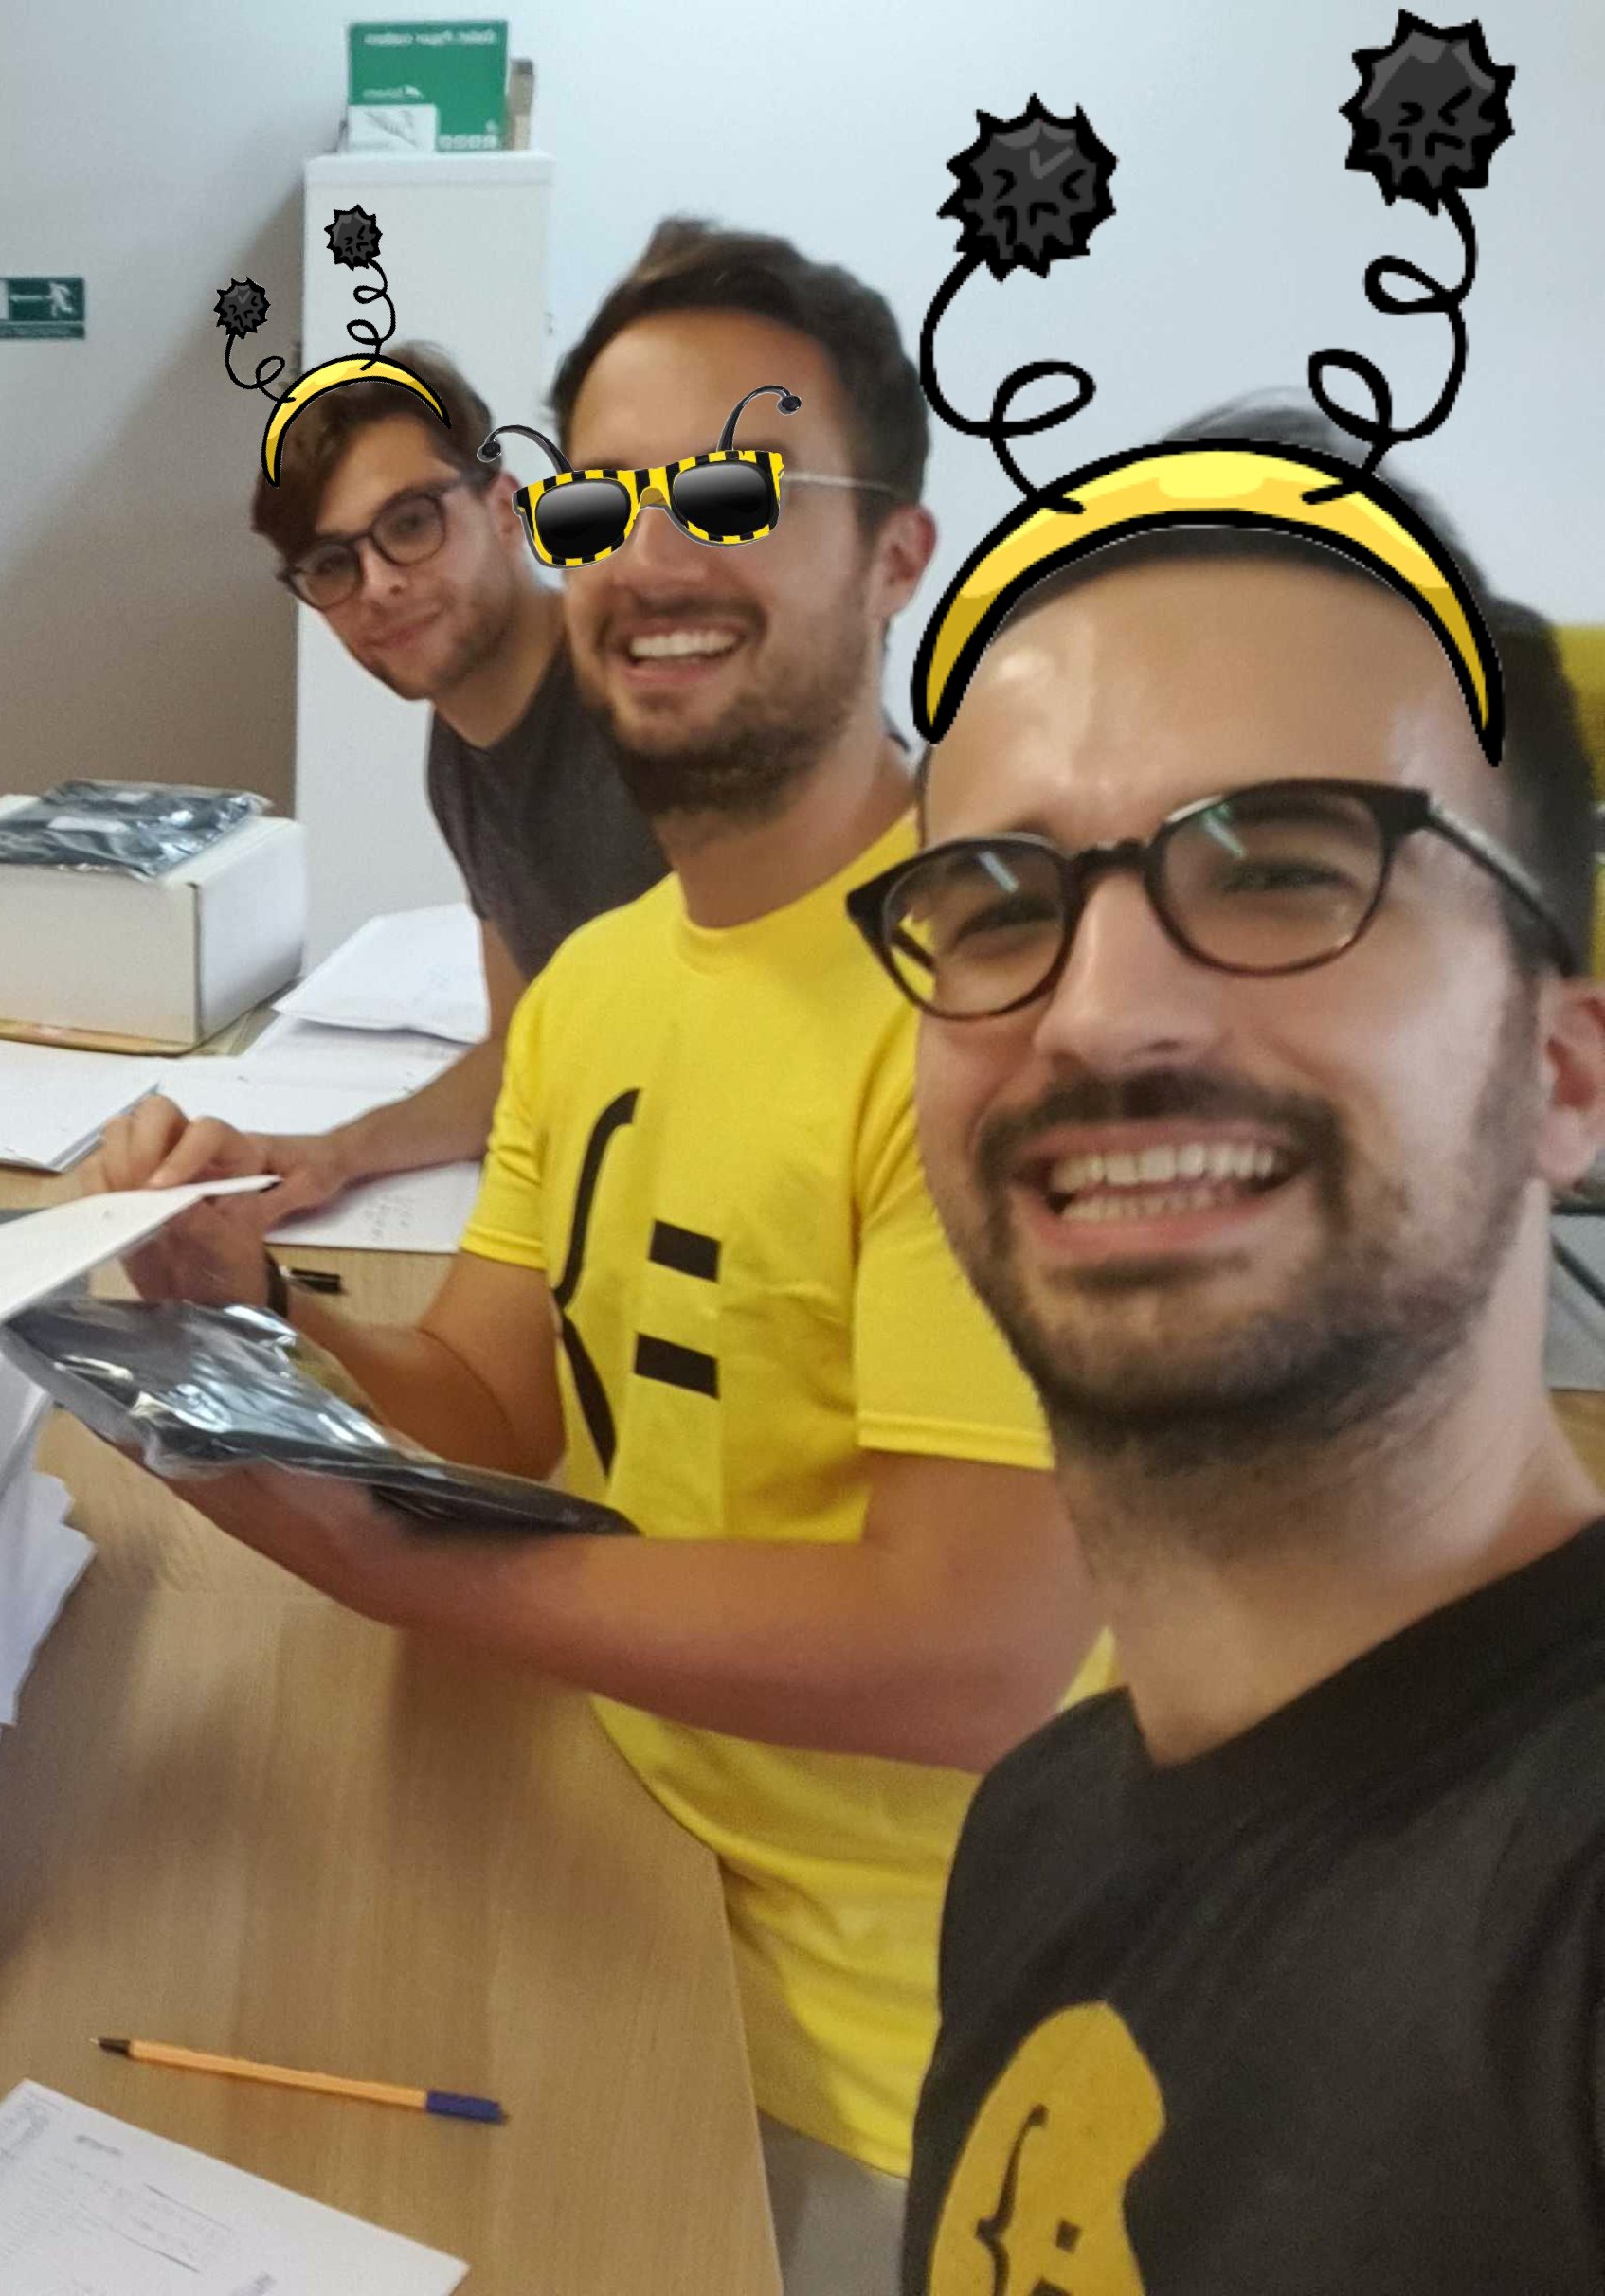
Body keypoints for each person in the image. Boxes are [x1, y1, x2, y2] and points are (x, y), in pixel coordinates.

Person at [97, 219, 1103, 2293]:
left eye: (731, 491)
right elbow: (488, 1393)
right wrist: (247, 1301)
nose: (648, 554)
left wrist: (413, 1571)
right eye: (604, 498)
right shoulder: (599, 988)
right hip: (619, 1830)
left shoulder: (1010, 1010)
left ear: (895, 556)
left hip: (886, 2032)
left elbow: (972, 1652)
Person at [871, 485, 1605, 2287]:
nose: (1100, 1014)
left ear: (1566, 1075)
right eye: (997, 904)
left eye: (1281, 868)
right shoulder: (1038, 1829)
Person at [107, 342, 664, 1224]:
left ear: (505, 507)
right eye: (333, 564)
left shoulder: (650, 707)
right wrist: (332, 1156)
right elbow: (522, 1048)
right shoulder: (462, 751)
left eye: (410, 525)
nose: (378, 586)